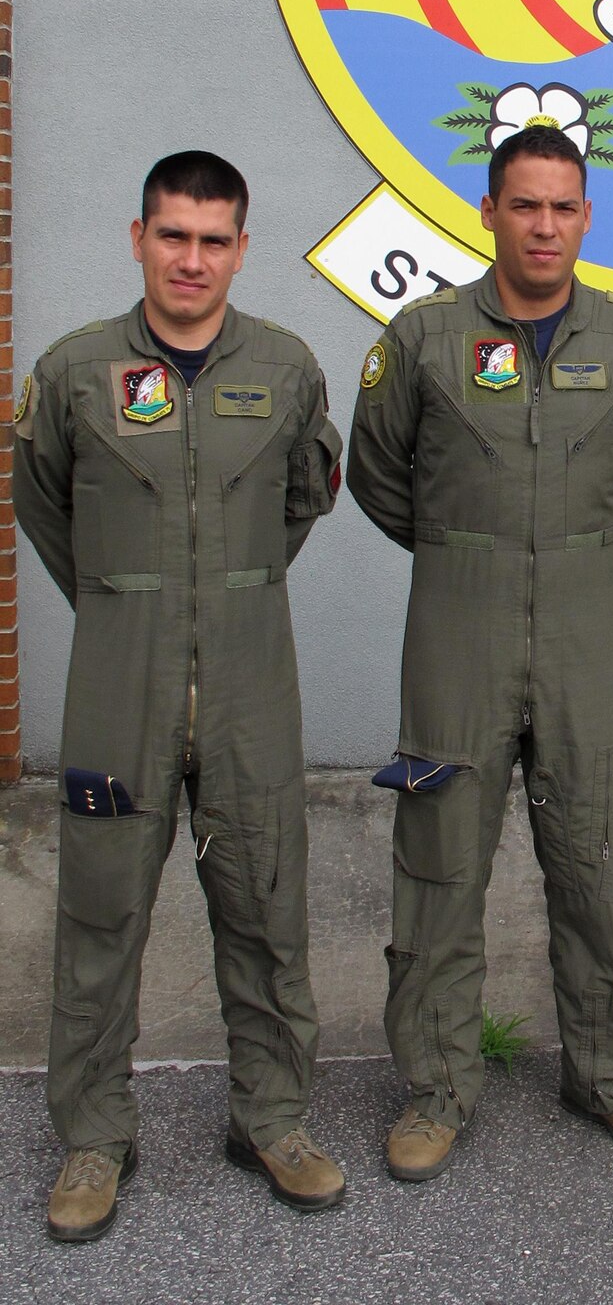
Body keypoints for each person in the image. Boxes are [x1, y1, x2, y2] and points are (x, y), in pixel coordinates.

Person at [347, 126, 613, 1182]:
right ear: (488, 211)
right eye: (524, 204)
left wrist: (572, 550)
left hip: (587, 626)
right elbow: (376, 472)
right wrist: (475, 551)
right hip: (459, 621)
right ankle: (437, 1084)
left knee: (595, 857)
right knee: (441, 857)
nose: (543, 224)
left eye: (562, 206)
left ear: (585, 217)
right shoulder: (422, 337)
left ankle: (604, 1070)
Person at [14, 151, 345, 1243]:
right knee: (101, 915)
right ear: (138, 237)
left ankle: (274, 1118)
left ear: (241, 248)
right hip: (122, 676)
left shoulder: (288, 368)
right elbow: (46, 502)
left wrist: (225, 594)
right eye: (173, 234)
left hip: (253, 675)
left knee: (264, 908)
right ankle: (96, 1136)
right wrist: (128, 602)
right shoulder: (74, 372)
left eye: (214, 238)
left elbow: (303, 500)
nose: (191, 257)